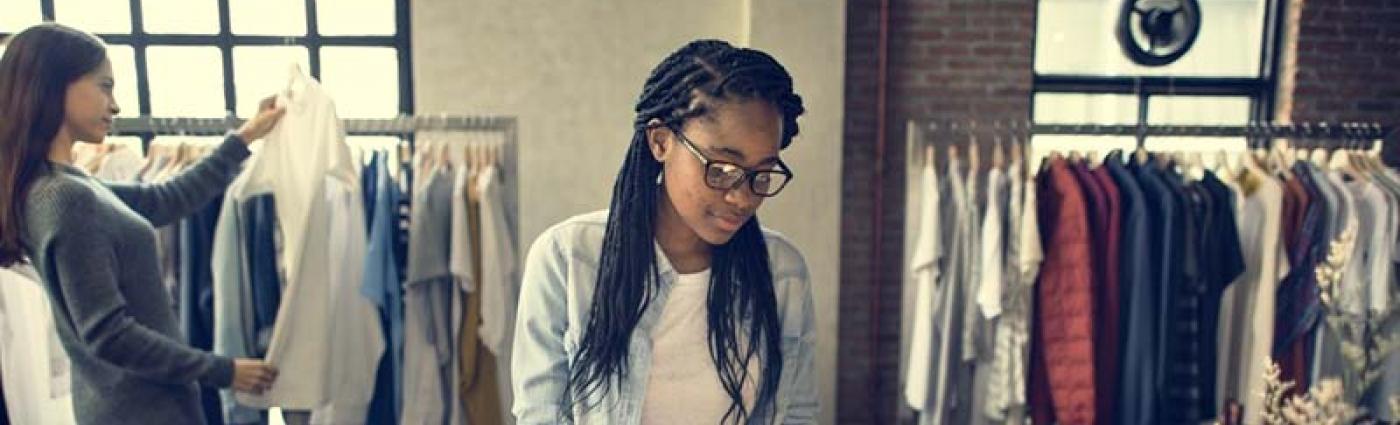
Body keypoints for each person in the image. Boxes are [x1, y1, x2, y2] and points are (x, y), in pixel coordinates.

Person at [512, 39, 818, 424]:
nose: (742, 198)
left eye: (762, 174)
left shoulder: (782, 272)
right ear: (661, 141)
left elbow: (797, 413)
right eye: (722, 169)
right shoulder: (568, 259)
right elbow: (540, 414)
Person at [0, 23, 284, 425]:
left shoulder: (73, 185)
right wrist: (223, 370)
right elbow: (108, 334)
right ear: (55, 84)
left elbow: (163, 200)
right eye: (105, 86)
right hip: (137, 411)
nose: (114, 106)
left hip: (138, 405)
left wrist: (247, 136)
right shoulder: (64, 197)